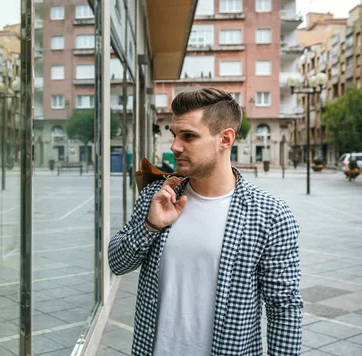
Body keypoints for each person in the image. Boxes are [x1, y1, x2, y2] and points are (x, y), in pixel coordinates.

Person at [109, 88, 302, 356]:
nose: (175, 146)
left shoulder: (270, 215)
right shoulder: (159, 196)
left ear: (225, 138)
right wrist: (150, 227)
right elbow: (116, 264)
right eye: (175, 135)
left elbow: (284, 307)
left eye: (189, 136)